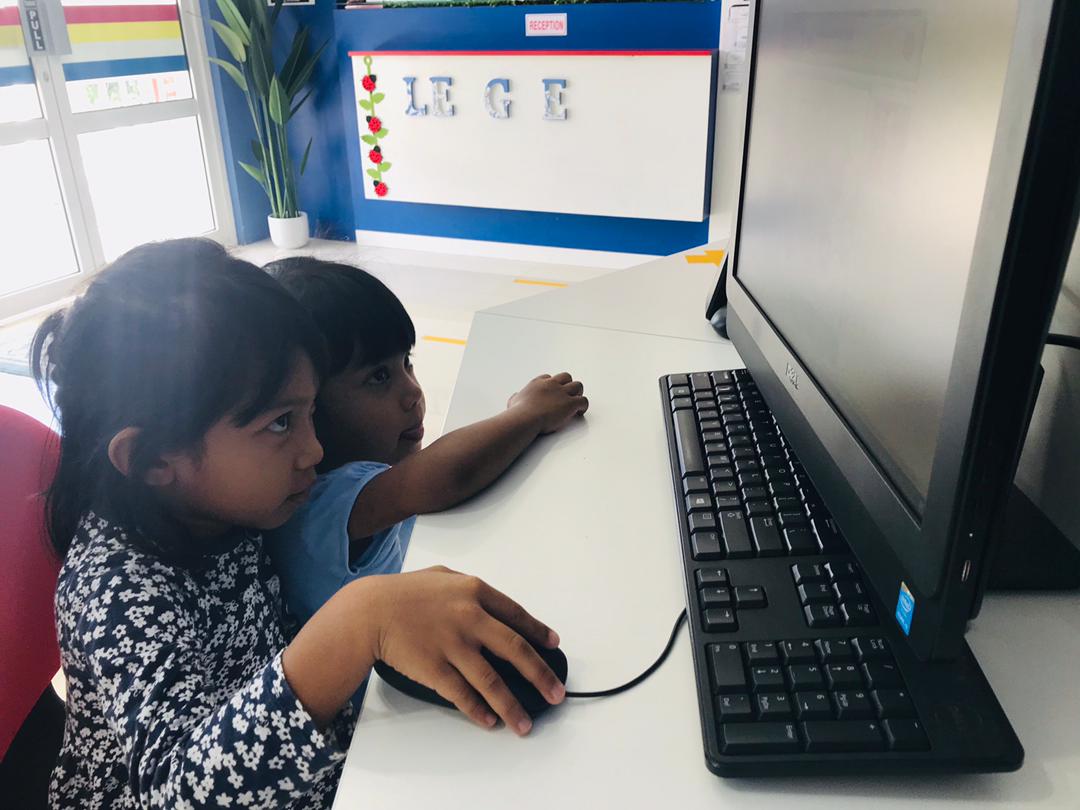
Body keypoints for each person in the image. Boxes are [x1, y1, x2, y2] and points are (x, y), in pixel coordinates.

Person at [32, 239, 565, 809]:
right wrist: (359, 621)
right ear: (152, 459)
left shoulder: (226, 505)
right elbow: (176, 792)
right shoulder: (116, 591)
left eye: (311, 413)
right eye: (281, 423)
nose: (315, 450)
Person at [264, 258, 588, 654]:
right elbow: (447, 475)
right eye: (378, 377)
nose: (413, 391)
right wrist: (525, 415)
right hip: (378, 682)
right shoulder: (320, 503)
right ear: (311, 407)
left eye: (407, 363)